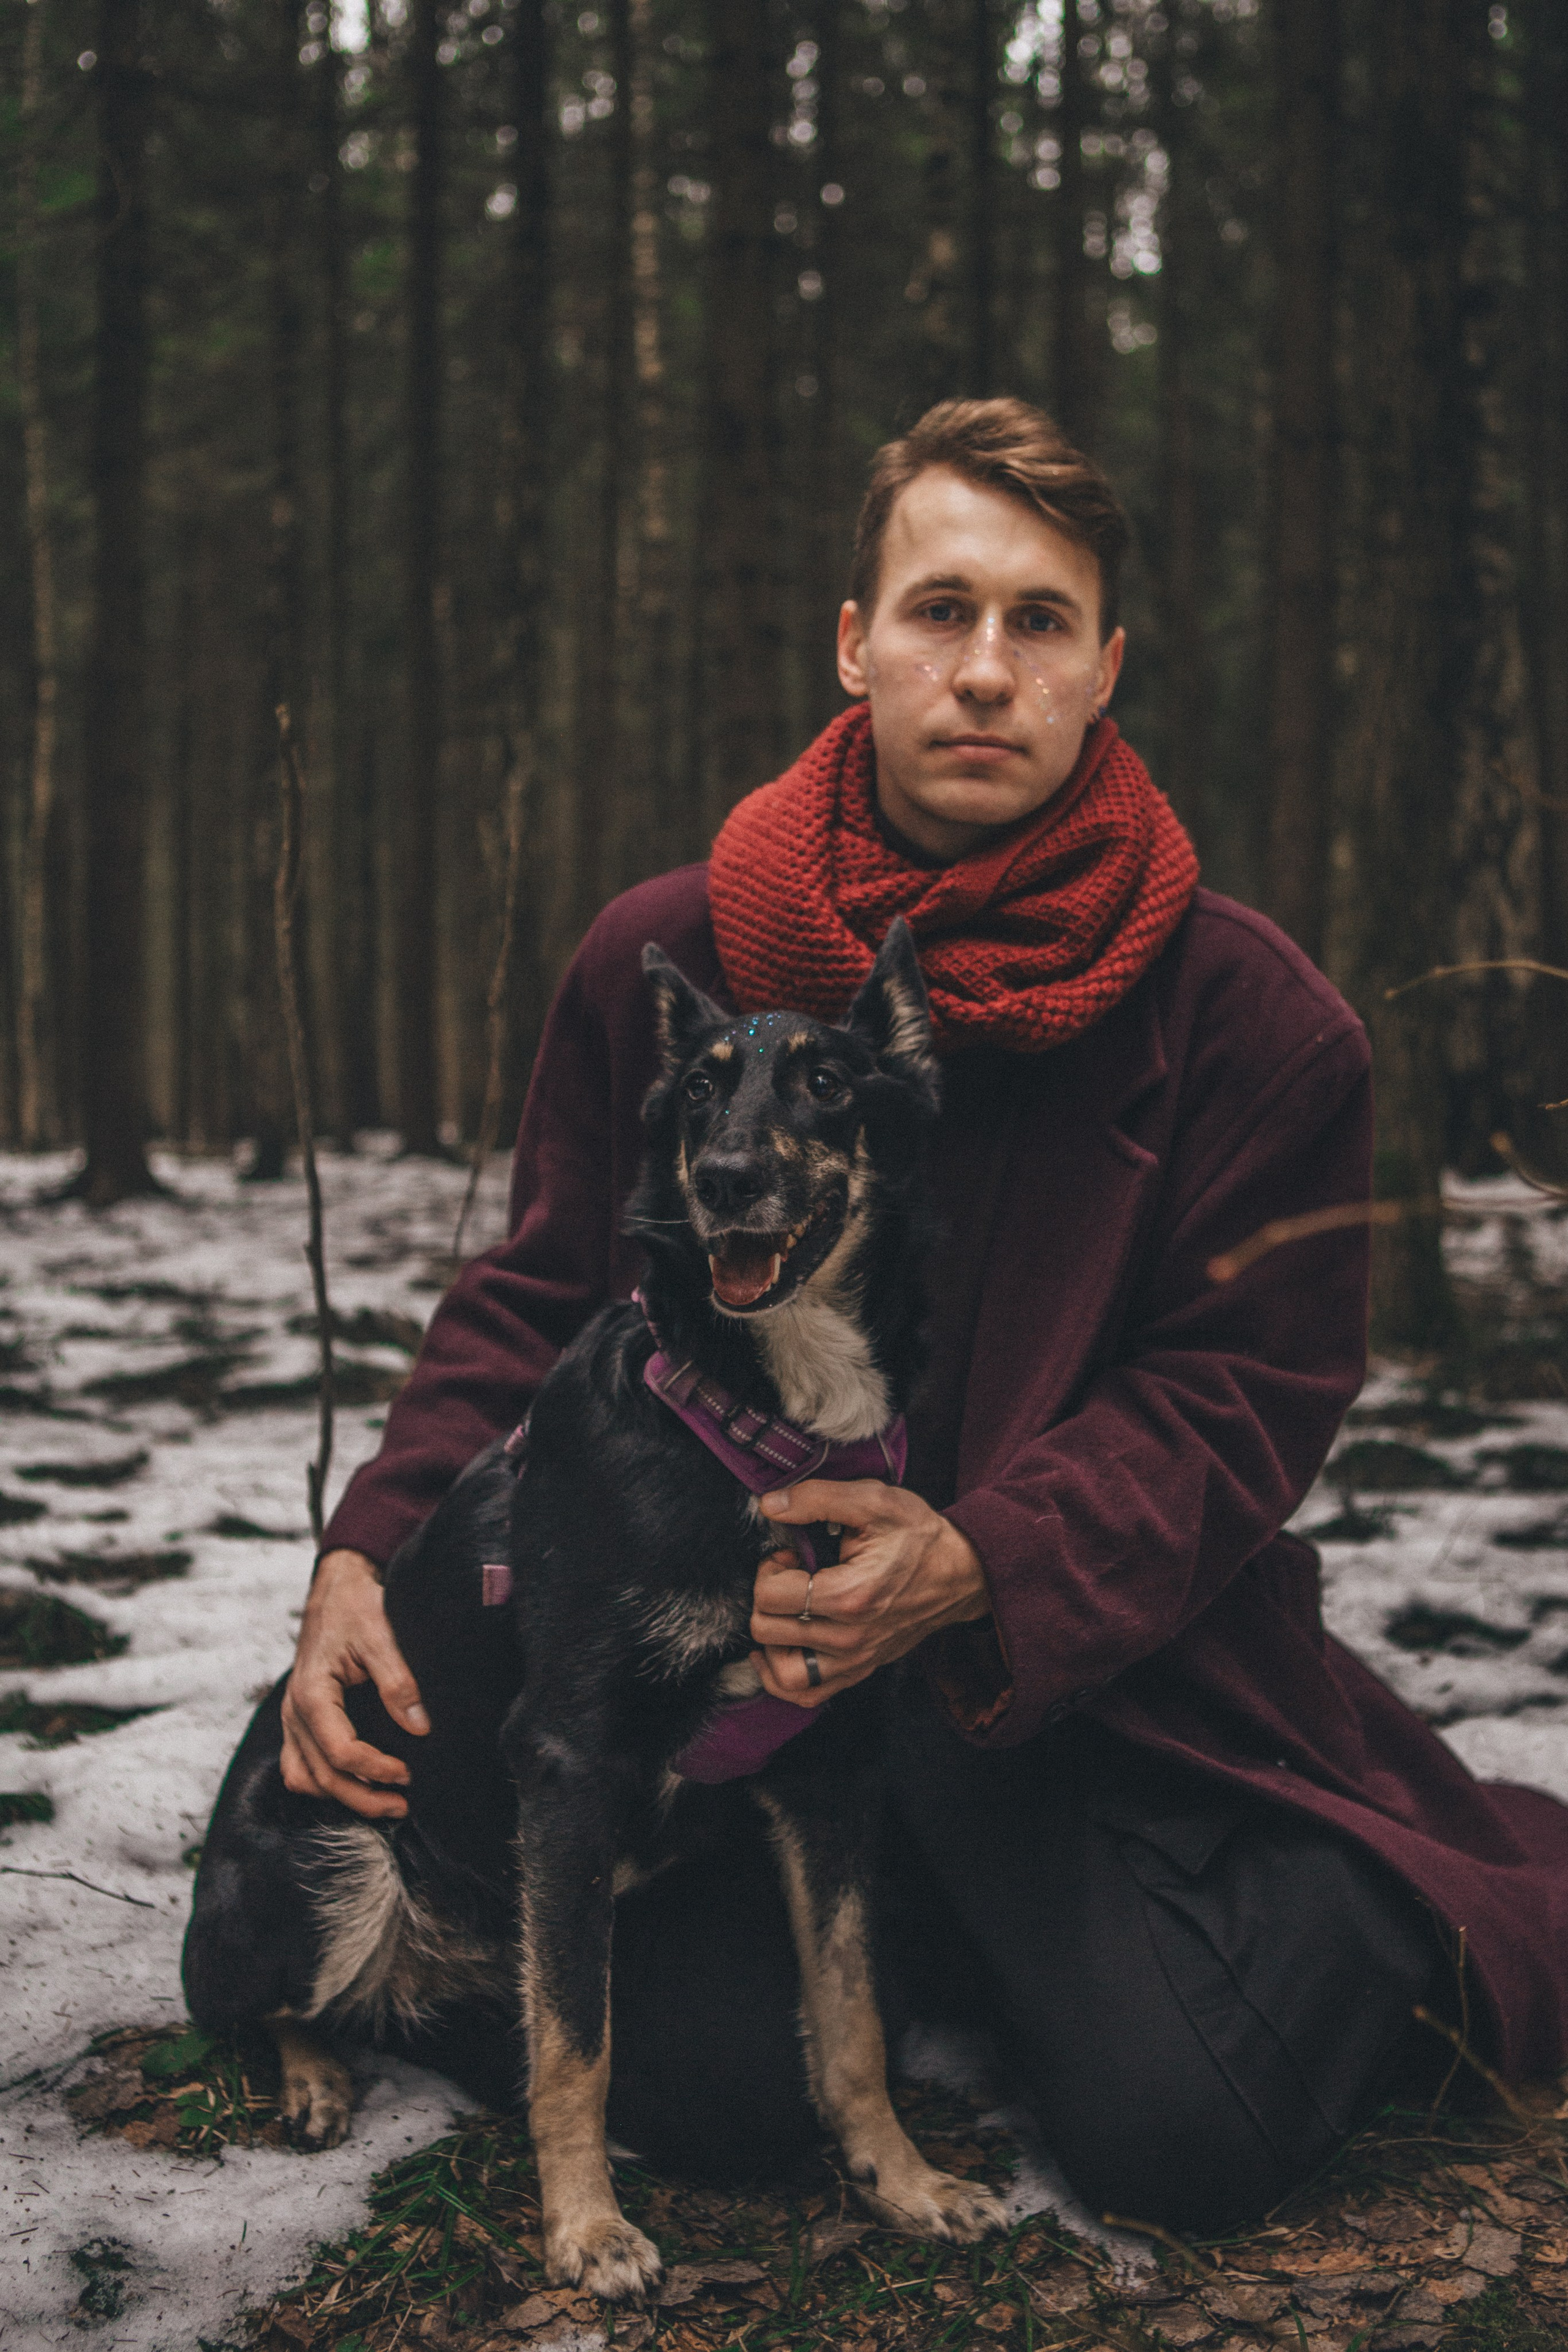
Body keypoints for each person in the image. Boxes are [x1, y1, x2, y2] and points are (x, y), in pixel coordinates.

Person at [279, 399, 1568, 2230]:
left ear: (1106, 669)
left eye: (1040, 623)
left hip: (1079, 1679)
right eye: (940, 610)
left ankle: (1357, 1896)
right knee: (713, 2099)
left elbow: (1244, 1396)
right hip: (737, 1694)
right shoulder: (667, 952)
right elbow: (547, 1291)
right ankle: (944, 1964)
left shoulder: (1258, 1020)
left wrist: (983, 1560)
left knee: (1185, 2130)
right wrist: (371, 1542)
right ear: (854, 643)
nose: (983, 670)